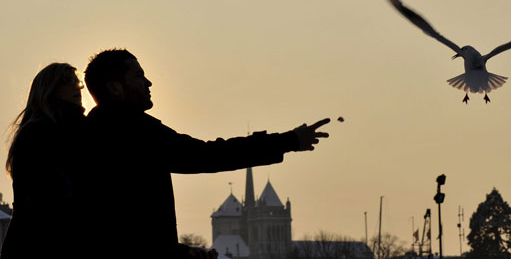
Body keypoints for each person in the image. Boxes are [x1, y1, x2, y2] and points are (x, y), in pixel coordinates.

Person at [80, 49, 330, 259]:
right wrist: (289, 140)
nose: (148, 83)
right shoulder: (135, 132)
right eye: (138, 76)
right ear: (115, 87)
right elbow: (209, 154)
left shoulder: (88, 135)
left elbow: (122, 229)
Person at [1, 63, 85, 259]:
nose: (77, 87)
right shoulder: (40, 133)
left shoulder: (73, 130)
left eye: (77, 82)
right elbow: (51, 196)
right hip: (40, 249)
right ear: (48, 89)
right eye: (67, 82)